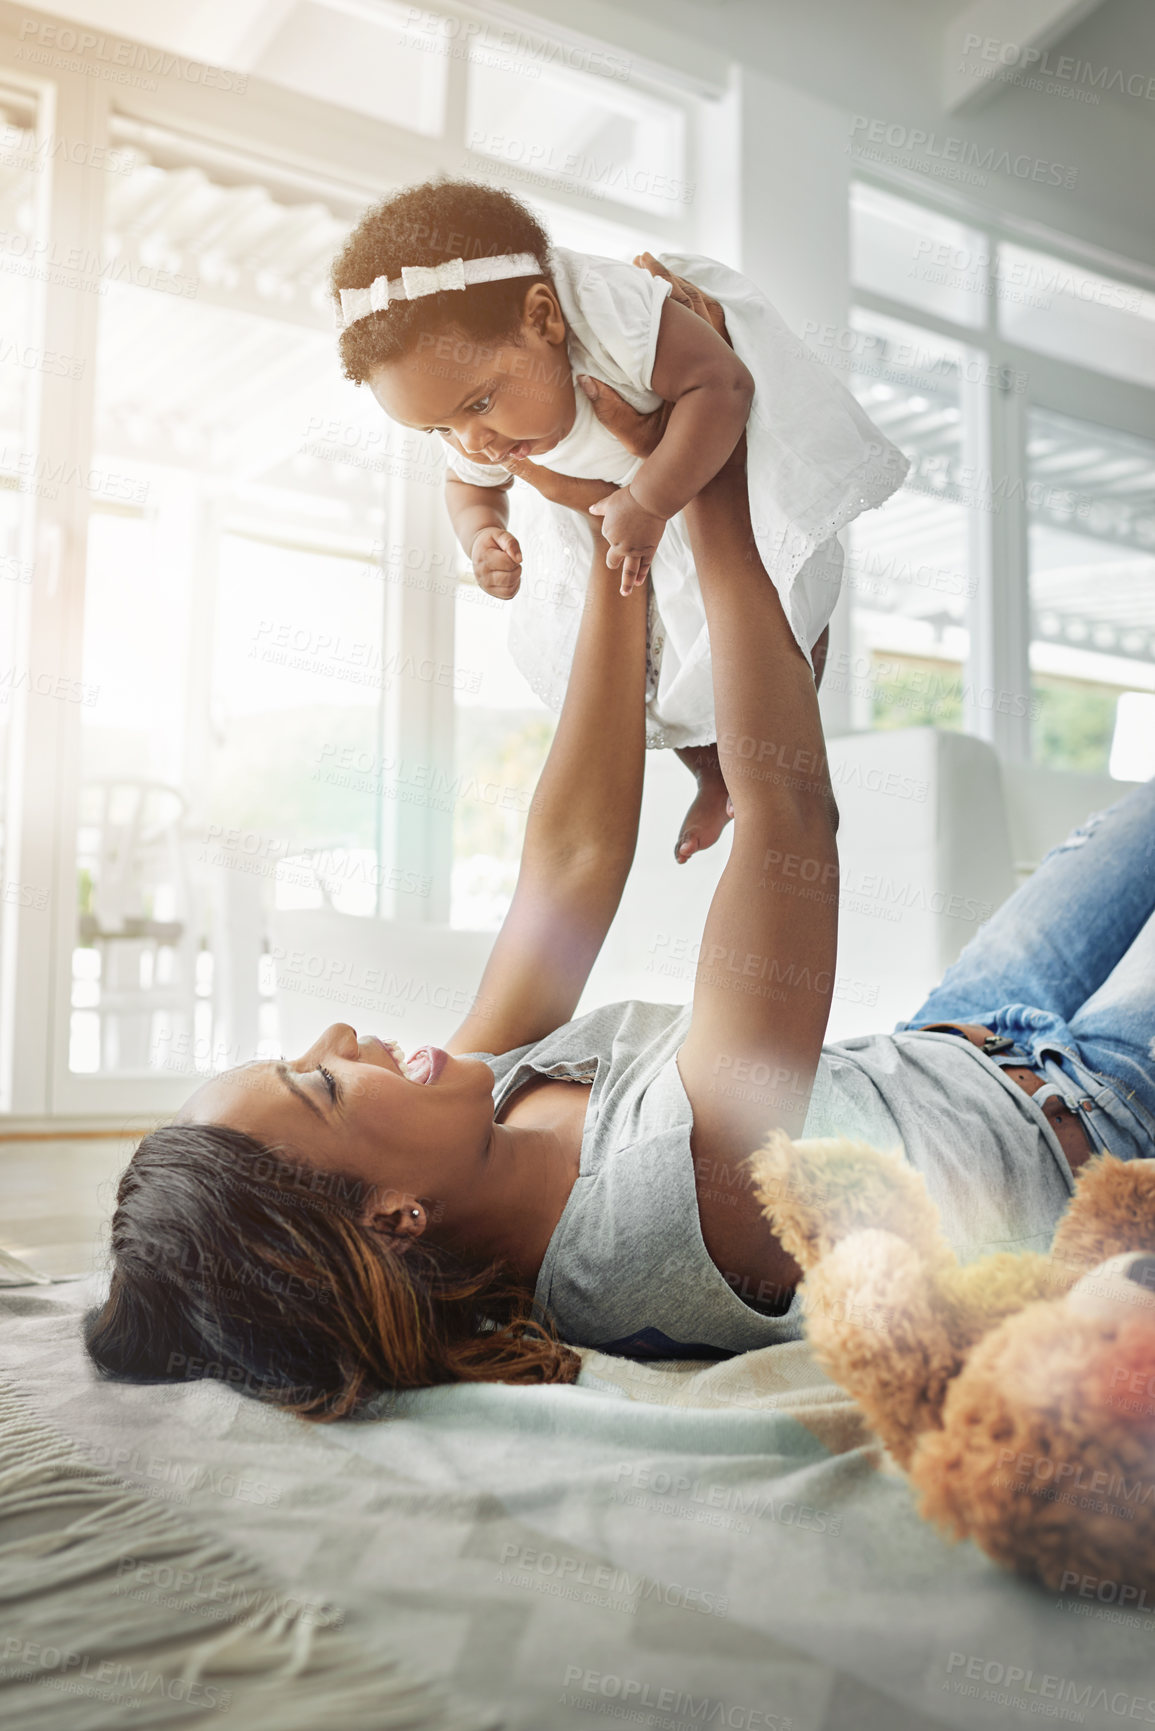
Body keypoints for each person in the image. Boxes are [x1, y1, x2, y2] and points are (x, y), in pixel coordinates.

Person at [85, 268, 1154, 1424]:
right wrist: (709, 478)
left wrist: (614, 528)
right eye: (321, 1080)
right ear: (393, 1219)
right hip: (1098, 1124)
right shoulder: (672, 1204)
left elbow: (575, 862)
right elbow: (790, 823)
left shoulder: (473, 1117)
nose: (343, 1035)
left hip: (959, 1033)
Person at [330, 178, 909, 861]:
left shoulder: (613, 313)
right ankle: (712, 775)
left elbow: (721, 385)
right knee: (657, 676)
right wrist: (480, 532)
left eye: (481, 402)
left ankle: (785, 781)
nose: (472, 442)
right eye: (439, 429)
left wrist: (650, 500)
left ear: (544, 318)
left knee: (778, 624)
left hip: (712, 456)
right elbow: (467, 487)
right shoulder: (473, 431)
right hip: (619, 510)